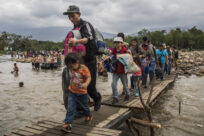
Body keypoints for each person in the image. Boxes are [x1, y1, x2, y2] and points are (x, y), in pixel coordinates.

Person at [63, 5, 101, 111]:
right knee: (78, 85)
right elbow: (70, 47)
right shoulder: (74, 30)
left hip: (90, 59)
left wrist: (77, 41)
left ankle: (97, 98)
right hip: (79, 62)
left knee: (90, 86)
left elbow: (88, 38)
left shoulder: (86, 25)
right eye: (69, 17)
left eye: (73, 16)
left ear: (79, 14)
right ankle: (81, 109)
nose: (71, 19)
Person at [62, 53, 92, 133]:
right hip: (72, 92)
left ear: (77, 62)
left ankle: (88, 115)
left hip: (82, 93)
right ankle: (67, 124)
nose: (70, 67)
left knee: (85, 107)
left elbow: (89, 77)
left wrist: (86, 84)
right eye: (68, 65)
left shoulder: (84, 69)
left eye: (72, 65)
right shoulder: (71, 68)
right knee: (70, 108)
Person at [111, 37, 130, 104]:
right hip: (115, 70)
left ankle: (127, 94)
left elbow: (129, 60)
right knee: (113, 84)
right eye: (115, 42)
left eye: (118, 42)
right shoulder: (114, 50)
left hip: (122, 71)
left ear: (121, 43)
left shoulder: (125, 51)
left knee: (125, 84)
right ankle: (115, 97)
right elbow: (112, 57)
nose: (117, 44)